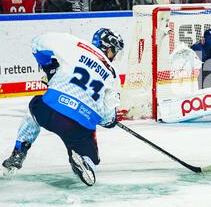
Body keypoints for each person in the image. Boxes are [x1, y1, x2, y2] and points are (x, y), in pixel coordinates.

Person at [2, 29, 124, 186]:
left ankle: (19, 152)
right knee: (93, 159)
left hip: (51, 111)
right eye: (114, 50)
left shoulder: (76, 44)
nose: (114, 55)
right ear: (107, 47)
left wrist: (49, 67)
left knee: (35, 107)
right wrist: (111, 121)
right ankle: (84, 161)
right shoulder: (113, 75)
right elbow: (107, 118)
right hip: (79, 126)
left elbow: (37, 43)